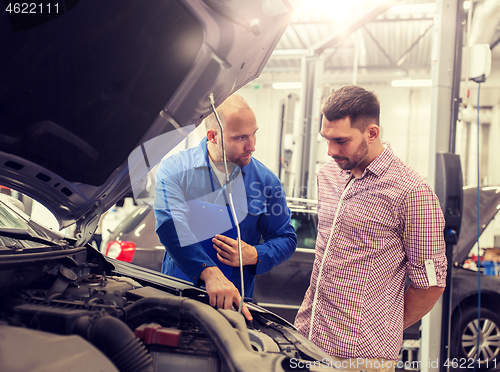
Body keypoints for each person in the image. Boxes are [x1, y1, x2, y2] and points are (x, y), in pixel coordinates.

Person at [294, 85, 447, 371]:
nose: (330, 151)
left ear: (372, 133)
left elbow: (431, 285)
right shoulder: (328, 175)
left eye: (341, 141)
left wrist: (380, 326)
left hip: (362, 357)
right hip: (307, 338)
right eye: (326, 140)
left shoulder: (412, 192)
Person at [154, 94, 297, 321]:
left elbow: (286, 239)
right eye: (240, 137)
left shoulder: (266, 182)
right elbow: (170, 225)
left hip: (234, 308)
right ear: (212, 136)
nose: (252, 145)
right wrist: (209, 272)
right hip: (176, 296)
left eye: (254, 133)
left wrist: (255, 254)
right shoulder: (175, 169)